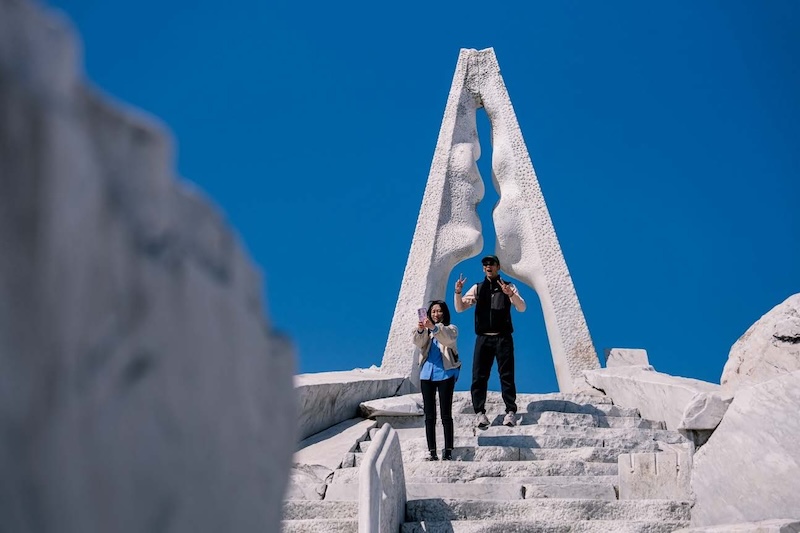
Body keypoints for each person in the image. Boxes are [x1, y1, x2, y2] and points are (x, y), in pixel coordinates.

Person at [454, 255, 526, 429]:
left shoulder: (509, 286)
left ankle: (510, 412)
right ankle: (479, 413)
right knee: (479, 376)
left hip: (503, 337)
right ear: (483, 268)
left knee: (507, 375)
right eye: (485, 264)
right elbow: (460, 308)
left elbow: (522, 307)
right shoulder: (478, 288)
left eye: (491, 264)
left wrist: (510, 294)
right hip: (484, 337)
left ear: (498, 267)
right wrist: (457, 293)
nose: (488, 266)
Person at [412, 300, 461, 461]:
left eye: (439, 311)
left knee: (446, 414)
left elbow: (447, 339)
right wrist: (421, 330)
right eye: (433, 312)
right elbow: (418, 343)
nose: (436, 314)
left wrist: (433, 328)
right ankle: (431, 451)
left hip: (445, 374)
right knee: (429, 415)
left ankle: (448, 450)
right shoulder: (428, 331)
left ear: (444, 313)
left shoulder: (450, 329)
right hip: (427, 374)